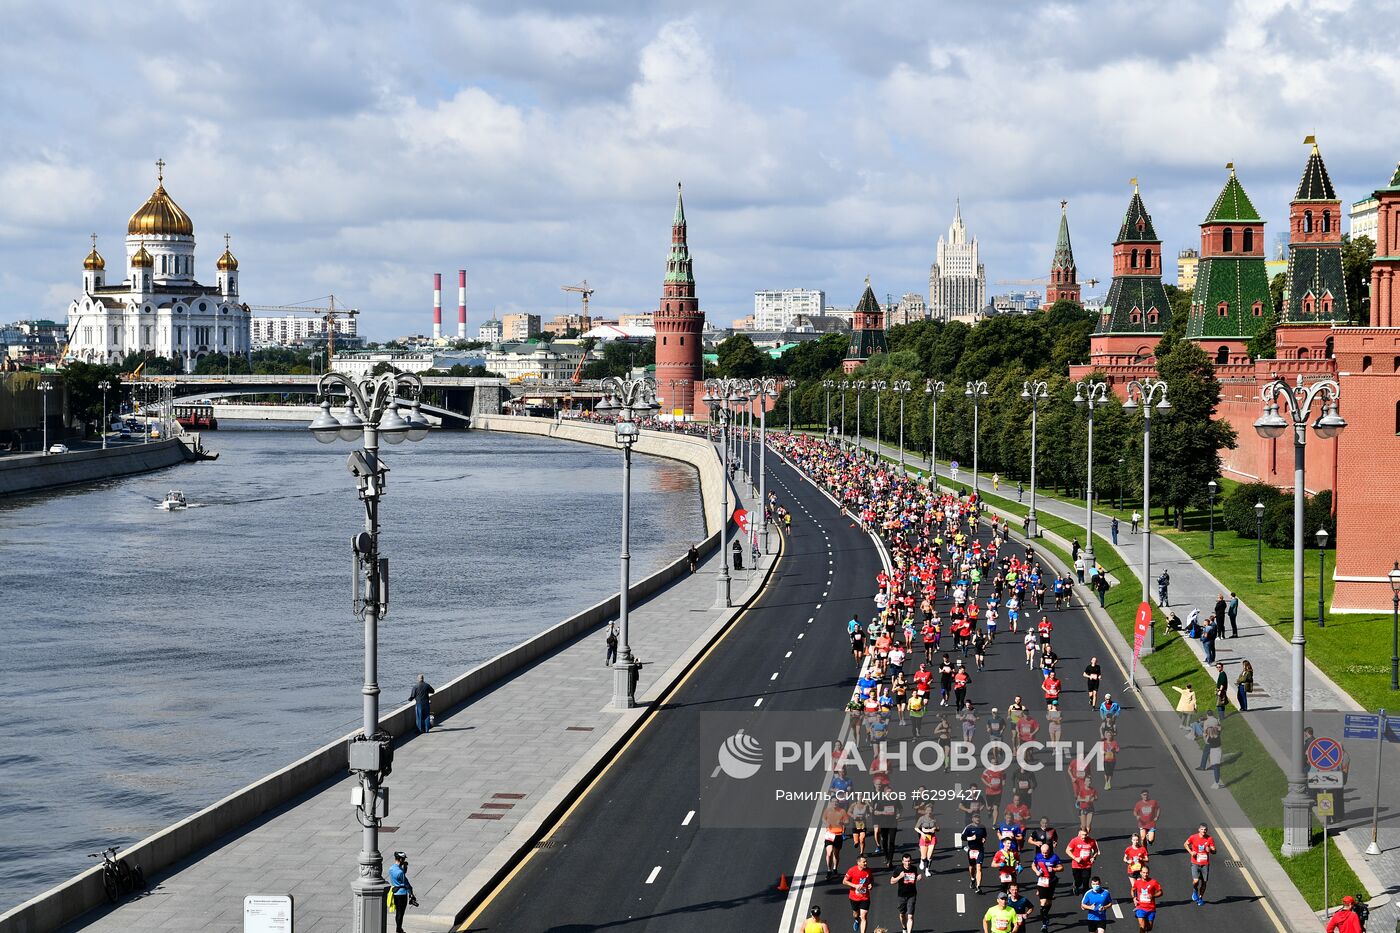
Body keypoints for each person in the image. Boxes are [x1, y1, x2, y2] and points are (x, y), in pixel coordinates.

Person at [1184, 823, 1216, 904]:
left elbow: (1214, 851)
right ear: (1199, 830)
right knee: (1196, 881)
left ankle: (1200, 898)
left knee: (1204, 882)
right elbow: (1185, 844)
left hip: (1205, 864)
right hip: (1195, 863)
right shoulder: (1193, 837)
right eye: (1202, 829)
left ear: (1207, 830)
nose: (1203, 831)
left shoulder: (1209, 839)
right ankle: (1195, 891)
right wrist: (1191, 852)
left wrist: (1210, 850)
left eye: (1205, 829)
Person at [387, 851, 417, 933]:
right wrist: (411, 894)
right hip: (402, 893)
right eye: (403, 859)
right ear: (400, 859)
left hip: (395, 892)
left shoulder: (391, 868)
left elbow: (401, 873)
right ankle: (399, 929)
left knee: (398, 912)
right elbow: (405, 883)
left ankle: (398, 928)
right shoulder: (400, 872)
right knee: (401, 913)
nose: (404, 860)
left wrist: (405, 867)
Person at [889, 853, 919, 933]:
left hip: (912, 895)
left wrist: (917, 878)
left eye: (909, 861)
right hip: (901, 895)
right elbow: (891, 881)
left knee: (910, 916)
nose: (907, 863)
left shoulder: (914, 868)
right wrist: (900, 877)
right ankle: (904, 928)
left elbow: (914, 878)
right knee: (902, 914)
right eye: (906, 861)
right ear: (902, 861)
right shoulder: (898, 869)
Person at [843, 854, 873, 933]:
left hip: (865, 897)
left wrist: (871, 884)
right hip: (854, 897)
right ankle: (856, 920)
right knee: (856, 914)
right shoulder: (852, 870)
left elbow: (871, 879)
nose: (866, 863)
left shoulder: (868, 870)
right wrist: (855, 886)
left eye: (866, 862)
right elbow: (844, 881)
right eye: (864, 862)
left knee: (864, 916)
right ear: (858, 863)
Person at [1066, 828, 1099, 895]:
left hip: (1087, 865)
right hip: (1076, 865)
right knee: (1078, 881)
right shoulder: (1074, 840)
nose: (1084, 836)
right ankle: (1076, 886)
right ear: (1079, 833)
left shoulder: (1091, 841)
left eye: (1085, 834)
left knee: (1086, 881)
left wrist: (1093, 857)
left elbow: (1096, 850)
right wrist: (1075, 858)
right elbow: (1067, 850)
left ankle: (1085, 896)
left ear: (1088, 834)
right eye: (1082, 834)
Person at [1130, 866, 1163, 931]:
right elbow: (1132, 890)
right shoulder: (1137, 882)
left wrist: (1153, 895)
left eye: (1147, 873)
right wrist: (1134, 898)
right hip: (1140, 907)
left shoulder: (1153, 882)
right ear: (1140, 873)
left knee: (1149, 928)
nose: (1145, 874)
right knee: (1142, 927)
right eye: (1144, 872)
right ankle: (1140, 916)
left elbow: (1161, 892)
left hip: (1151, 908)